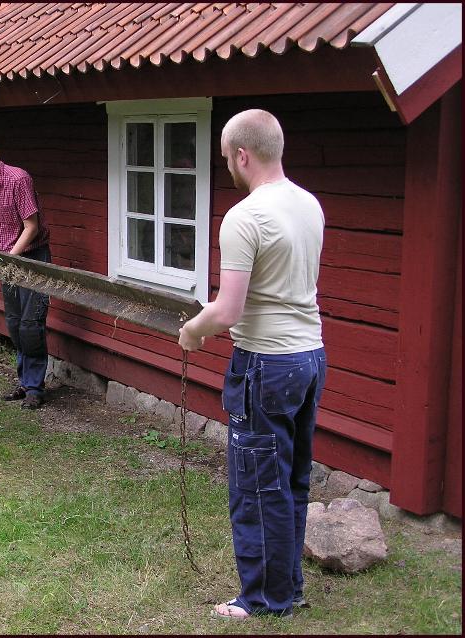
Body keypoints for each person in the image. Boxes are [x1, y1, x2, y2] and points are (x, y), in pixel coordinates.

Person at [178, 110, 326, 619]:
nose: (228, 169)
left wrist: (192, 331)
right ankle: (290, 586)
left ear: (242, 154)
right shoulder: (309, 204)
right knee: (290, 480)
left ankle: (264, 598)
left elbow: (229, 310)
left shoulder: (245, 217)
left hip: (265, 365)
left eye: (226, 159)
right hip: (309, 358)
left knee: (258, 484)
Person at [0, 137, 51, 409]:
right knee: (14, 323)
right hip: (8, 260)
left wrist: (12, 257)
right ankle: (25, 382)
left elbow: (32, 227)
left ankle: (35, 389)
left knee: (30, 325)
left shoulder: (18, 179)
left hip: (33, 259)